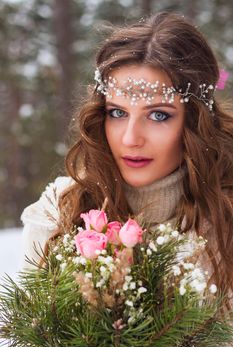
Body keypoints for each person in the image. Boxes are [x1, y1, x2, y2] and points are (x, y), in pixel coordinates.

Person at [20, 12, 233, 313]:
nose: (131, 138)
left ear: (195, 122)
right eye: (118, 113)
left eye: (158, 115)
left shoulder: (225, 221)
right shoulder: (60, 211)